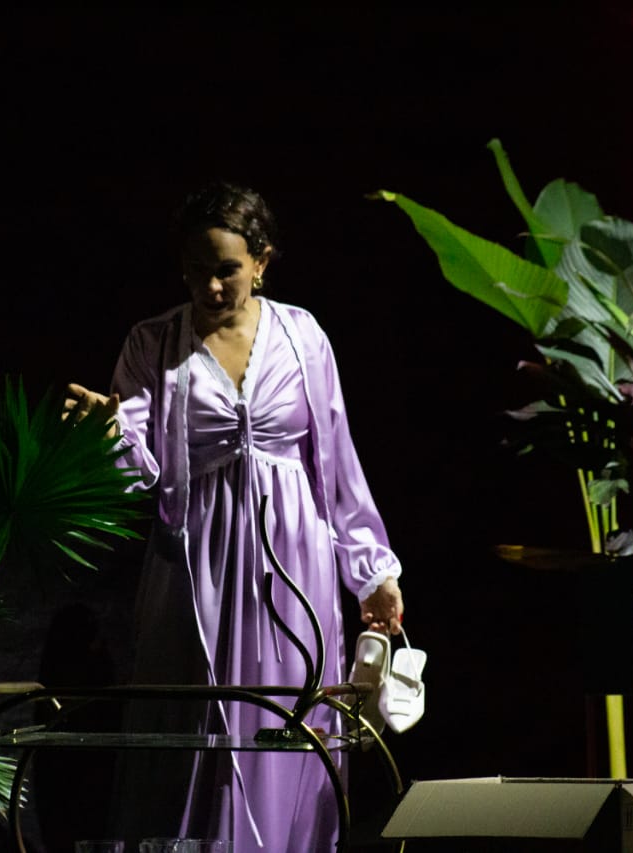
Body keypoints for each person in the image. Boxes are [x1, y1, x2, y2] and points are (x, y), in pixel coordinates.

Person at [63, 180, 404, 852]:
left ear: (261, 262)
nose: (212, 286)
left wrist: (373, 572)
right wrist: (108, 437)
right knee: (200, 735)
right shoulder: (154, 343)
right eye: (198, 270)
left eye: (226, 269)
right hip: (200, 569)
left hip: (294, 569)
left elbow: (336, 464)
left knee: (288, 726)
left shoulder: (302, 336)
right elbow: (138, 472)